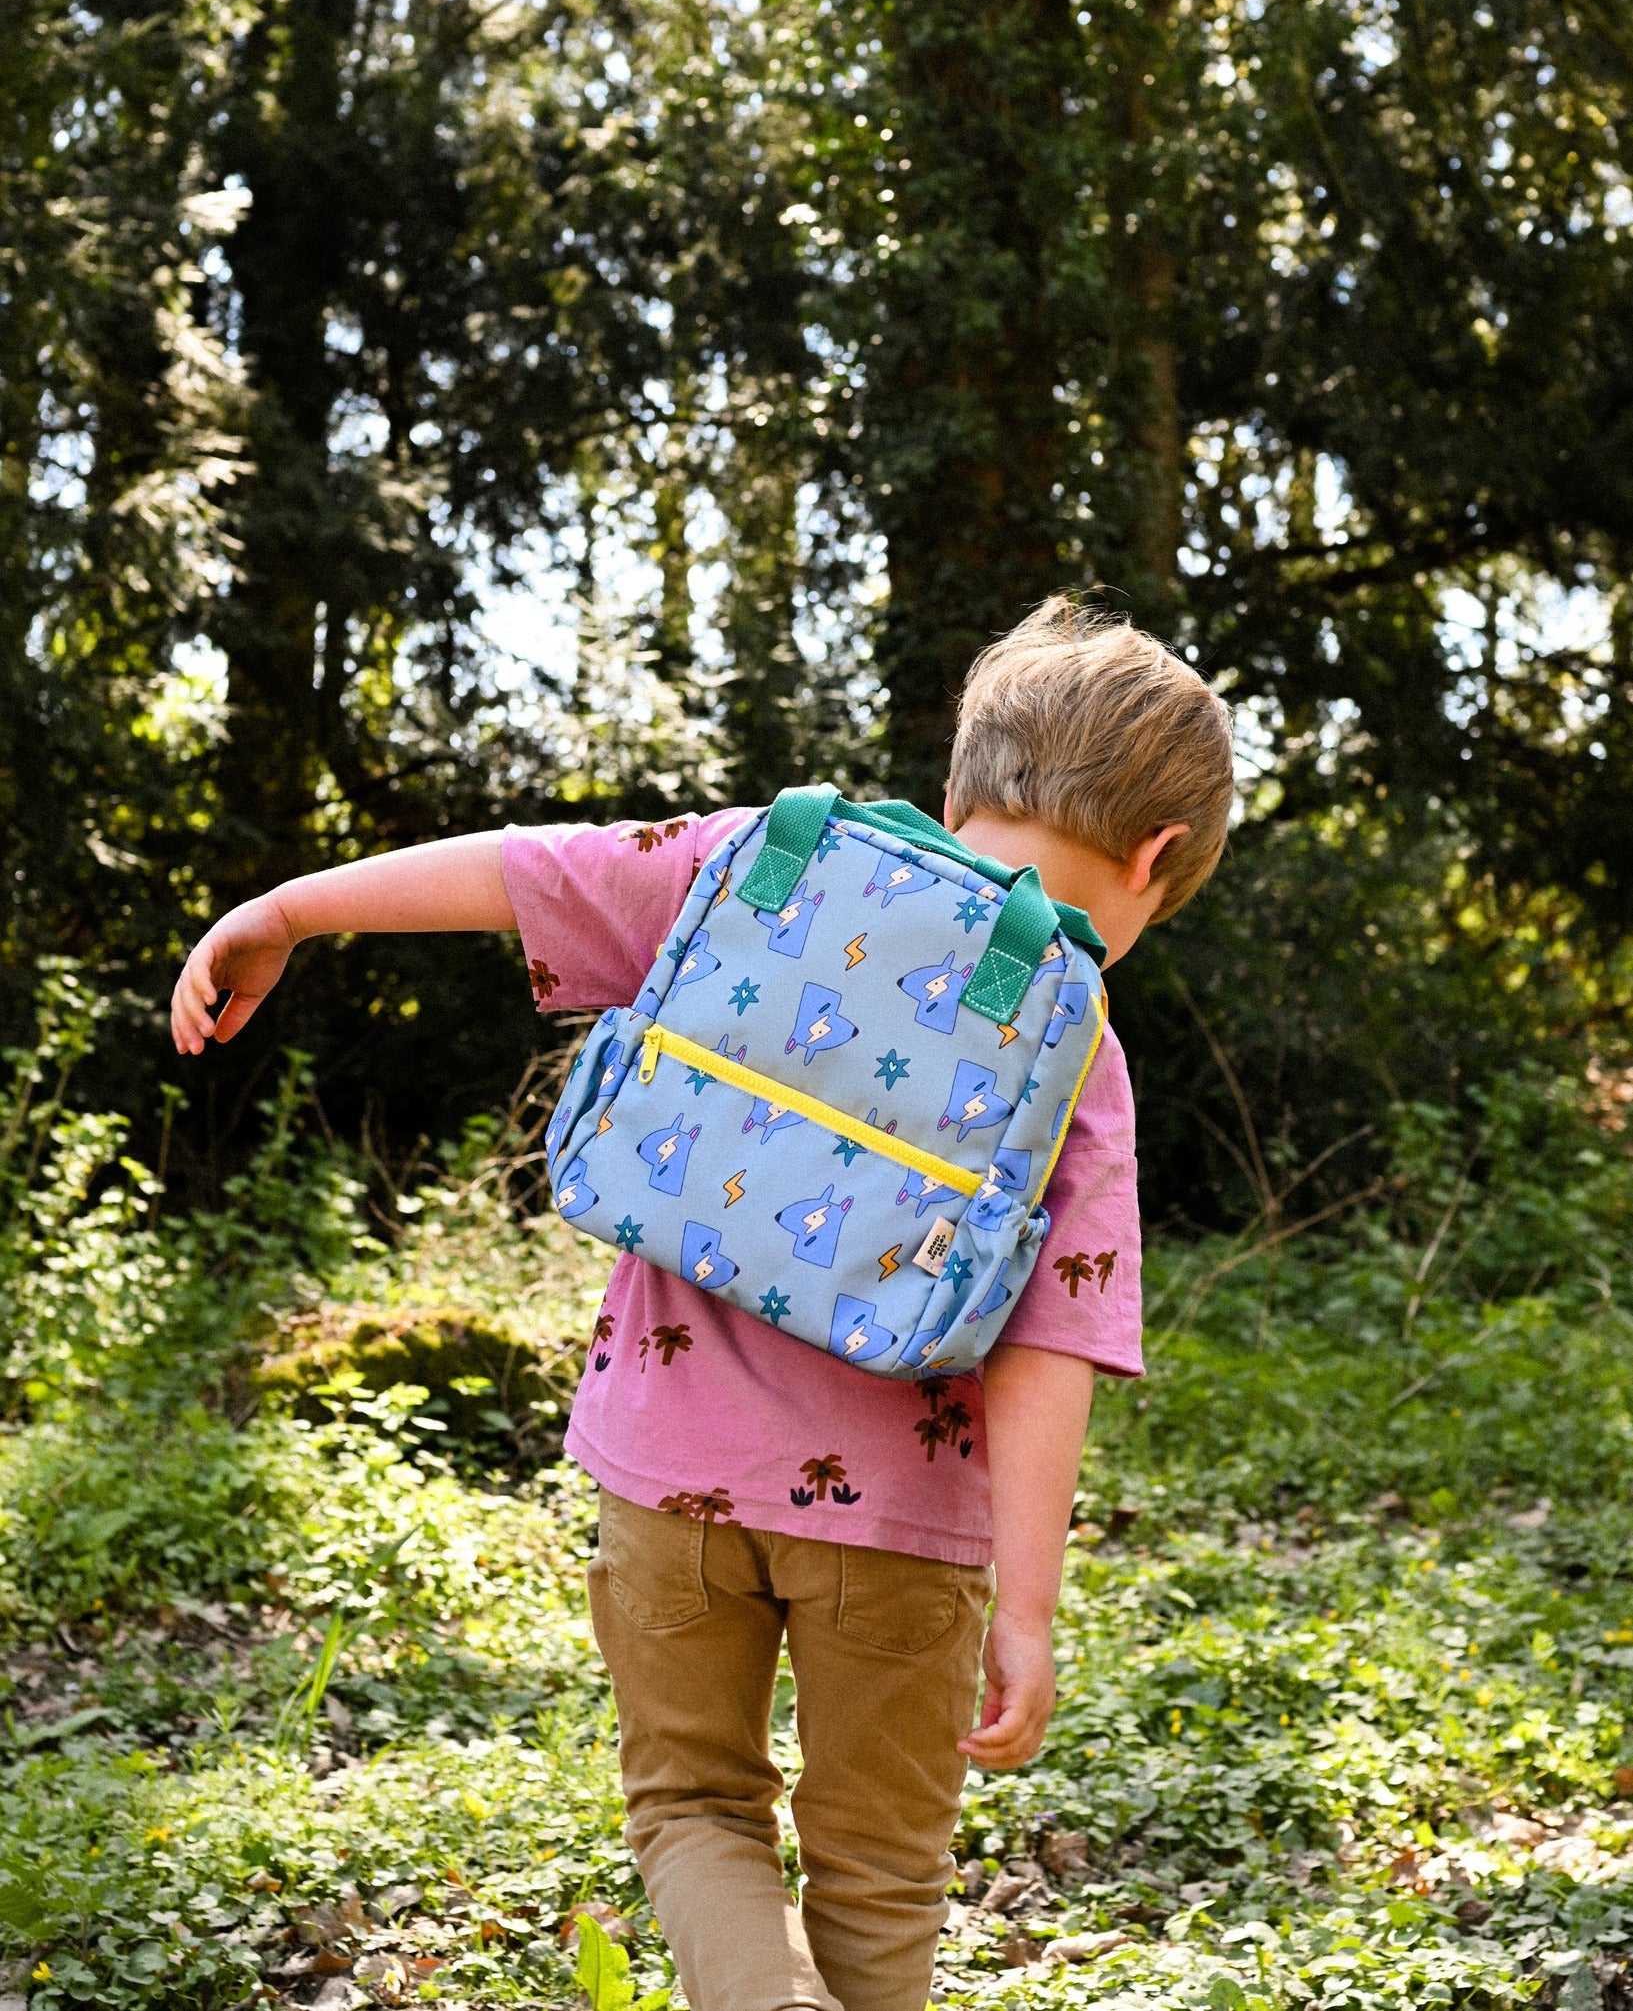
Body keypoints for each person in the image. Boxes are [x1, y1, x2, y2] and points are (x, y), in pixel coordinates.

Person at [170, 598, 1234, 2011]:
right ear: (1155, 854)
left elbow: (524, 869)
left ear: (964, 779)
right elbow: (1050, 1343)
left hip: (665, 1486)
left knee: (692, 1807)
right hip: (901, 1533)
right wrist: (1026, 1609)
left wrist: (291, 909)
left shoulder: (762, 856)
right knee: (882, 1866)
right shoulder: (1070, 1027)